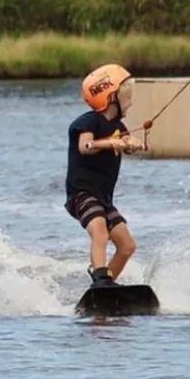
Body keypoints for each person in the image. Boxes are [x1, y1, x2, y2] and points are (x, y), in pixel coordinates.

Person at [64, 63, 144, 288]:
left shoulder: (119, 126)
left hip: (103, 199)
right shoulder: (87, 122)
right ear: (111, 98)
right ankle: (100, 278)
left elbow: (125, 141)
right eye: (127, 98)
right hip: (81, 194)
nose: (132, 102)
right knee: (100, 233)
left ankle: (105, 286)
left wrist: (131, 143)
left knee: (127, 245)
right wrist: (110, 142)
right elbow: (85, 146)